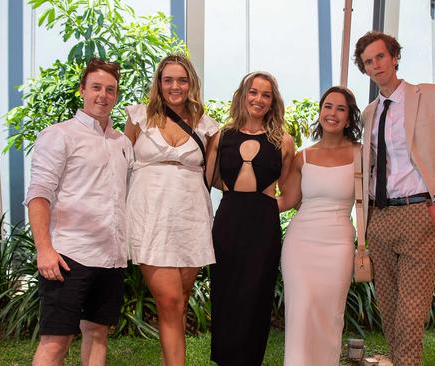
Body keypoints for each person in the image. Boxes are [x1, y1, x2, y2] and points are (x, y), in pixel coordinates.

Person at [353, 31, 435, 365]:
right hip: (381, 218)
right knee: (388, 313)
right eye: (368, 62)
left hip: (420, 213)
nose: (376, 66)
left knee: (410, 315)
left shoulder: (431, 96)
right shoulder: (369, 114)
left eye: (380, 57)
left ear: (395, 57)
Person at [26, 58, 131, 366]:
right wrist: (44, 250)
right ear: (82, 90)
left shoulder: (122, 142)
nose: (103, 95)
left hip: (111, 257)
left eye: (110, 90)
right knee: (55, 342)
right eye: (96, 87)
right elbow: (39, 195)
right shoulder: (59, 135)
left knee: (98, 334)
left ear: (116, 95)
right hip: (69, 256)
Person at [123, 54, 218, 366]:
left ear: (191, 83)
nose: (175, 86)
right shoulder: (138, 118)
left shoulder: (207, 126)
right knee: (170, 300)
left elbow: (215, 176)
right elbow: (119, 168)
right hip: (149, 217)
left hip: (190, 219)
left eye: (182, 80)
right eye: (168, 80)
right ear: (158, 84)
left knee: (178, 304)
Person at [206, 71, 295, 366]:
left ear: (273, 102)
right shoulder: (222, 136)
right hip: (228, 222)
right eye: (253, 92)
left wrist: (263, 209)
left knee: (256, 297)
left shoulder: (283, 141)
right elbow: (212, 179)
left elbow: (291, 195)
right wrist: (240, 202)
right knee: (226, 295)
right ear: (243, 96)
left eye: (266, 95)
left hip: (263, 229)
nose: (258, 99)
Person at [278, 86, 362, 366]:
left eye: (340, 108)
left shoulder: (361, 155)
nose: (333, 113)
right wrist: (245, 203)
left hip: (338, 244)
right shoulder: (303, 157)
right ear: (320, 112)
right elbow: (287, 200)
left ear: (349, 118)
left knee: (330, 316)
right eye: (328, 106)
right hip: (300, 244)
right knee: (300, 314)